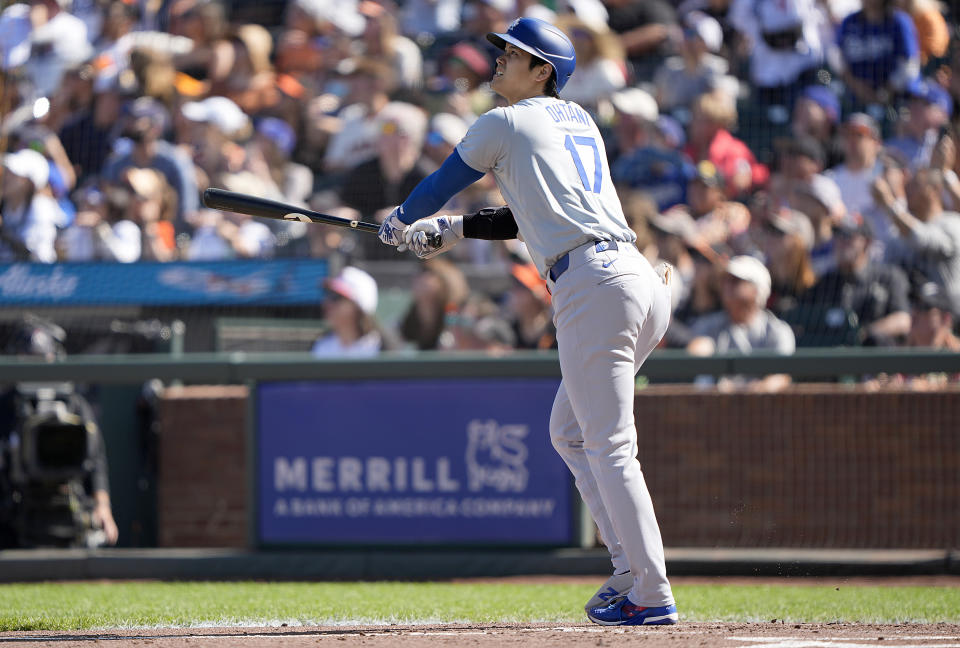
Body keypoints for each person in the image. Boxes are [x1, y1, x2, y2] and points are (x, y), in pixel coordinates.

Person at [377, 17, 677, 626]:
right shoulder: (579, 121)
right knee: (569, 431)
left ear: (543, 71)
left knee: (612, 446)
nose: (500, 60)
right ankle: (627, 569)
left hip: (592, 285)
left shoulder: (504, 121)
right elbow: (522, 216)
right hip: (637, 280)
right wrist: (453, 229)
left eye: (515, 54)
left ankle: (651, 589)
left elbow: (443, 182)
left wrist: (401, 218)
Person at [686, 255, 796, 392]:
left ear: (756, 291)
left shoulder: (778, 330)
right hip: (716, 409)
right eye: (725, 280)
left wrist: (750, 393)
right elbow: (695, 353)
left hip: (762, 409)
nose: (727, 286)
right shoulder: (709, 324)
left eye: (736, 281)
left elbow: (781, 377)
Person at [311, 266, 382, 358]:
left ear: (358, 307)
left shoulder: (381, 350)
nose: (327, 303)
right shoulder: (321, 347)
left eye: (336, 297)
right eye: (328, 295)